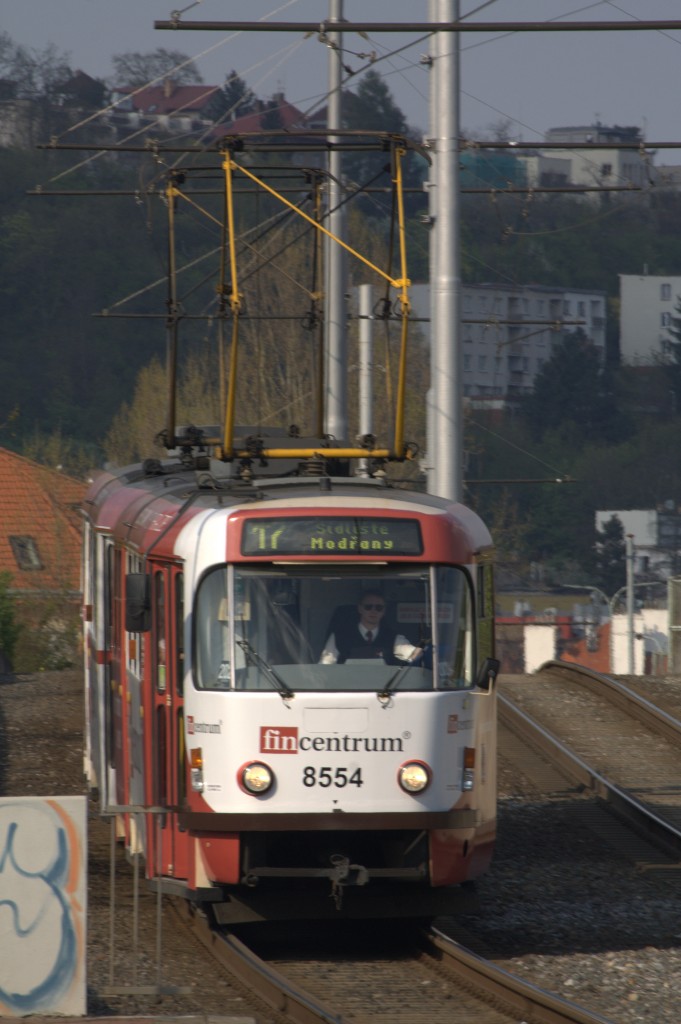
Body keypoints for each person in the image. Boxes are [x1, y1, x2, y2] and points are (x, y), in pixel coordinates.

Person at [319, 590, 423, 665]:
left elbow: (415, 655)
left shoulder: (393, 638)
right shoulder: (339, 636)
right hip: (347, 688)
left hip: (384, 688)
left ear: (384, 611)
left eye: (379, 607)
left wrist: (424, 651)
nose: (373, 611)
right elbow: (326, 666)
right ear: (360, 609)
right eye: (368, 607)